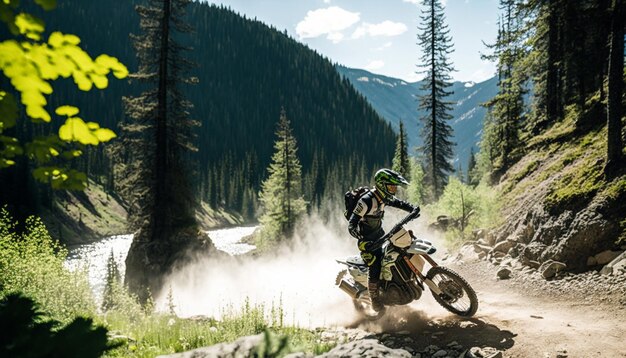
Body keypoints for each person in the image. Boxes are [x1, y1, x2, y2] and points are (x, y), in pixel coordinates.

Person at [347, 168, 419, 312]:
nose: (394, 190)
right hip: (367, 243)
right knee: (375, 266)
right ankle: (374, 299)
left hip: (381, 236)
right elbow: (352, 224)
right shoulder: (366, 201)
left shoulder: (383, 197)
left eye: (394, 187)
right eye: (391, 186)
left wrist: (413, 208)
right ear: (381, 185)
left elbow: (399, 203)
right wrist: (362, 239)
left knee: (399, 253)